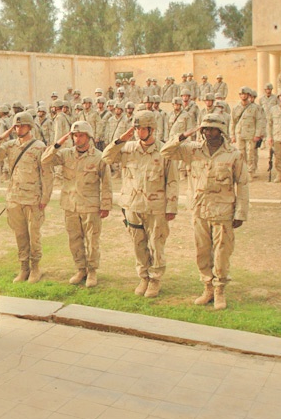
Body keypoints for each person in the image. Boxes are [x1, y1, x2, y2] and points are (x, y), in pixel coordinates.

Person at [161, 114, 249, 310]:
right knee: (202, 252)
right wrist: (184, 135)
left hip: (223, 211)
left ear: (221, 131)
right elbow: (165, 152)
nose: (209, 133)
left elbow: (242, 184)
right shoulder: (192, 150)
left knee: (222, 253)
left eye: (213, 129)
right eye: (205, 129)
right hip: (199, 210)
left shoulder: (234, 154)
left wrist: (240, 213)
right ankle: (207, 287)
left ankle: (219, 290)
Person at [101, 111, 178, 298]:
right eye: (136, 128)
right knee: (138, 244)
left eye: (142, 128)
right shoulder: (128, 148)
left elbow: (173, 181)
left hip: (156, 208)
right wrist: (120, 139)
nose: (137, 132)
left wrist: (171, 208)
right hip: (133, 205)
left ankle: (155, 279)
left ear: (152, 129)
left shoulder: (164, 150)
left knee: (156, 244)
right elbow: (106, 157)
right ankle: (143, 276)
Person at [41, 121, 112, 287]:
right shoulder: (65, 154)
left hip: (90, 205)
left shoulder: (99, 156)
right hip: (70, 204)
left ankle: (92, 271)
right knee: (74, 240)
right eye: (75, 135)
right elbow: (45, 161)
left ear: (89, 137)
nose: (77, 139)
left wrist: (106, 205)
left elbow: (107, 183)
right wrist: (57, 144)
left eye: (81, 135)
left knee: (92, 241)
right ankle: (81, 269)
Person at [0, 112, 52, 283]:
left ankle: (36, 268)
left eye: (21, 125)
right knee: (20, 235)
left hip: (33, 199)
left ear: (30, 126)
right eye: (15, 126)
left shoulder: (39, 147)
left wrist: (45, 198)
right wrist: (1, 137)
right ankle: (24, 268)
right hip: (14, 199)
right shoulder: (9, 145)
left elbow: (46, 174)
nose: (18, 128)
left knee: (34, 235)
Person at [231, 87, 266, 179]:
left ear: (248, 95)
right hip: (239, 134)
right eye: (241, 94)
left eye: (245, 94)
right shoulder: (236, 108)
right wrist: (232, 135)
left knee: (250, 153)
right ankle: (242, 172)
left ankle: (250, 172)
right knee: (240, 154)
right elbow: (233, 122)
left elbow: (259, 121)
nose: (243, 96)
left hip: (251, 134)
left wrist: (258, 134)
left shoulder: (255, 108)